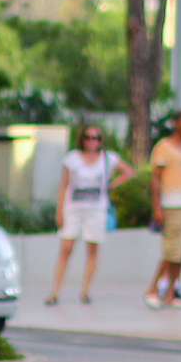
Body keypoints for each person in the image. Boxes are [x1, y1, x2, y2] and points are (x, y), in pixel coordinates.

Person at [45, 125, 130, 306]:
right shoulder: (73, 159)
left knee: (92, 249)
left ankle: (85, 290)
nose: (92, 141)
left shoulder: (108, 158)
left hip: (96, 208)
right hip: (73, 208)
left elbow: (128, 172)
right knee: (66, 248)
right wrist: (59, 211)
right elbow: (64, 186)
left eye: (96, 138)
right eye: (88, 137)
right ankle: (55, 291)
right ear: (82, 139)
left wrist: (111, 185)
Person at [144, 110, 181, 309]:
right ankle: (152, 289)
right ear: (176, 124)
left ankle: (170, 293)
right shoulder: (164, 147)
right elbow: (156, 178)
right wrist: (157, 207)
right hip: (172, 203)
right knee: (171, 251)